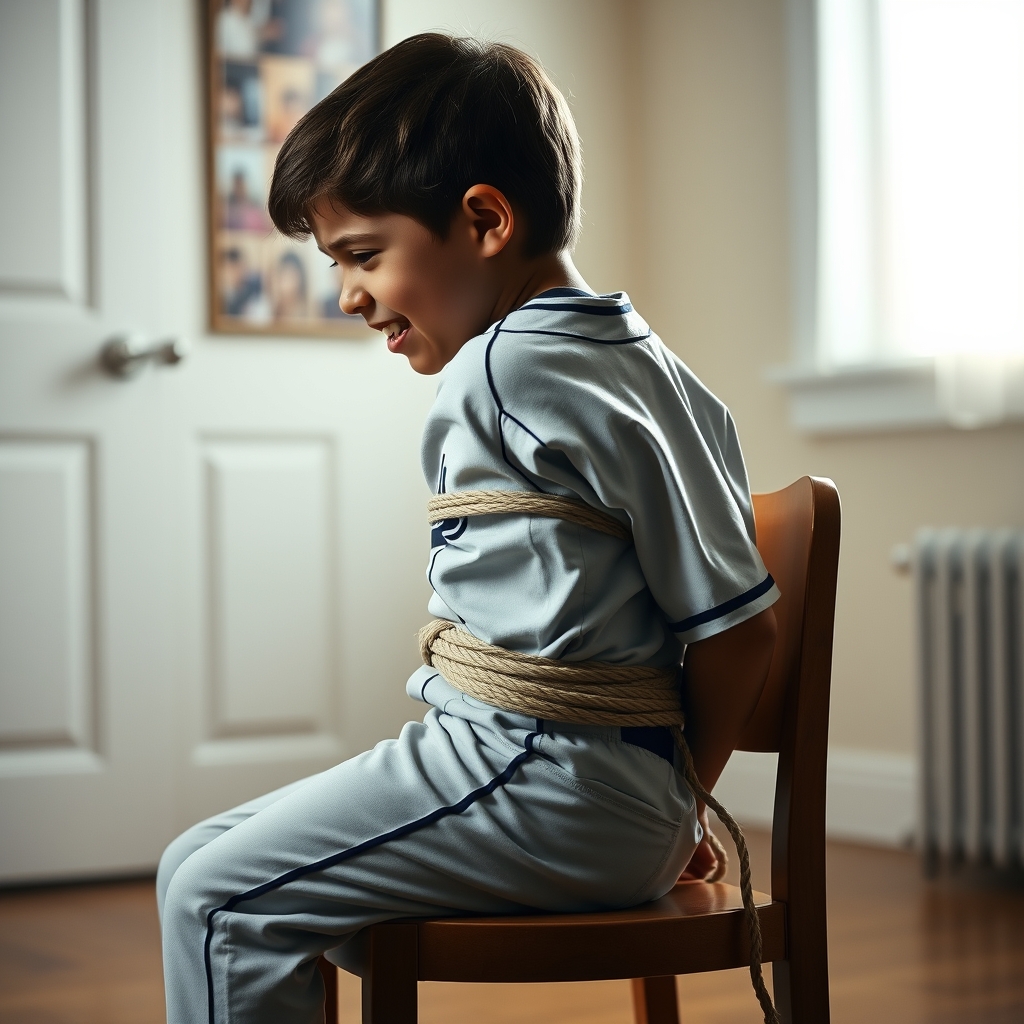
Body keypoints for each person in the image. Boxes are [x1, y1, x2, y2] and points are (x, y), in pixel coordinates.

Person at [158, 33, 779, 1024]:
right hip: (595, 784)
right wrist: (673, 804)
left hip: (540, 774)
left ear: (484, 219)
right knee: (194, 865)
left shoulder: (502, 371)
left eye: (363, 255)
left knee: (215, 900)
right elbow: (736, 629)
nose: (350, 294)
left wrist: (663, 810)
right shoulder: (651, 366)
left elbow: (737, 635)